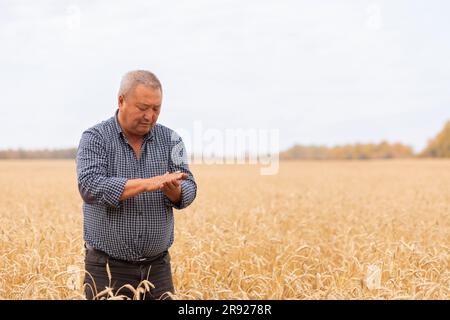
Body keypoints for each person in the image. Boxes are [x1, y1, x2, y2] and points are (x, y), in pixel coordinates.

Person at [76, 70, 197, 300]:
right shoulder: (95, 138)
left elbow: (190, 184)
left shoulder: (172, 140)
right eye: (143, 108)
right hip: (106, 269)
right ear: (121, 101)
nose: (150, 116)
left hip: (157, 270)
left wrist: (177, 192)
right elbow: (90, 185)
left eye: (156, 109)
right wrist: (146, 184)